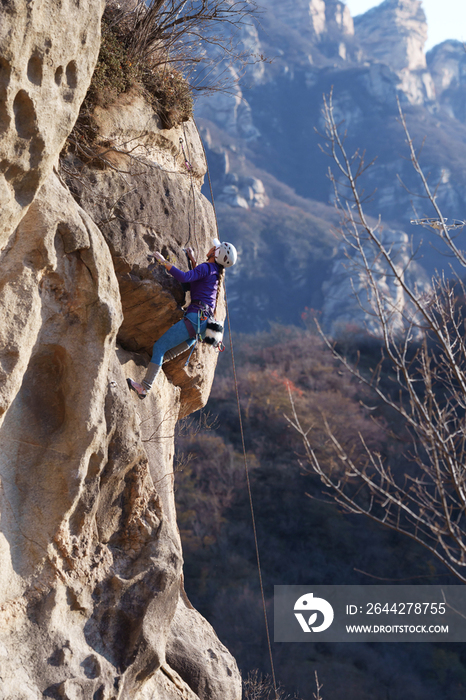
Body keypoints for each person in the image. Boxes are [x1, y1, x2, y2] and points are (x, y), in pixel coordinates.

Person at [127, 238, 237, 399]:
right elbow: (197, 282)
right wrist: (192, 259)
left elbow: (185, 278)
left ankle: (144, 387)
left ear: (216, 253)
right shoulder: (213, 272)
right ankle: (147, 381)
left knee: (159, 347)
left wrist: (164, 262)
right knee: (164, 354)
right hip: (200, 328)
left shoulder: (207, 267)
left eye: (215, 247)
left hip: (195, 319)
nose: (211, 247)